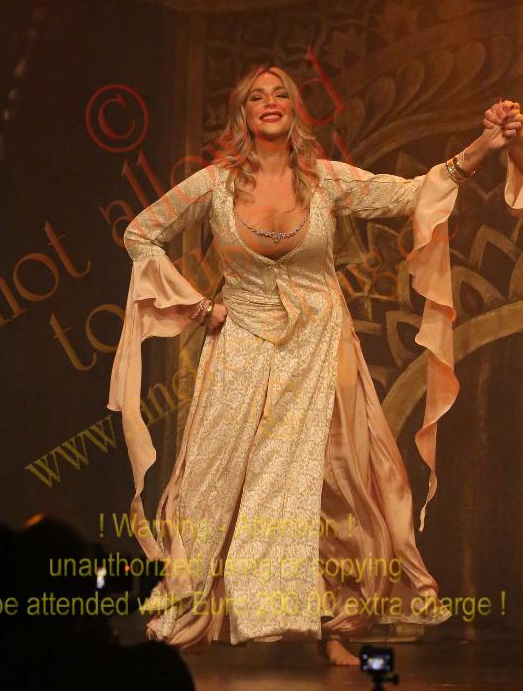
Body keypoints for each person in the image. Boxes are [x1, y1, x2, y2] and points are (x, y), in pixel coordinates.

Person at [108, 65, 522, 666]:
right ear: (242, 114)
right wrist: (198, 307)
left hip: (321, 346)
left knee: (338, 483)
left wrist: (484, 144)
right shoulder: (214, 185)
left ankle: (337, 625)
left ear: (294, 110)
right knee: (212, 480)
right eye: (257, 96)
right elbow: (140, 234)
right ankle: (192, 616)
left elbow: (411, 194)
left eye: (281, 94)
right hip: (241, 344)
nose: (270, 102)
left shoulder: (325, 180)